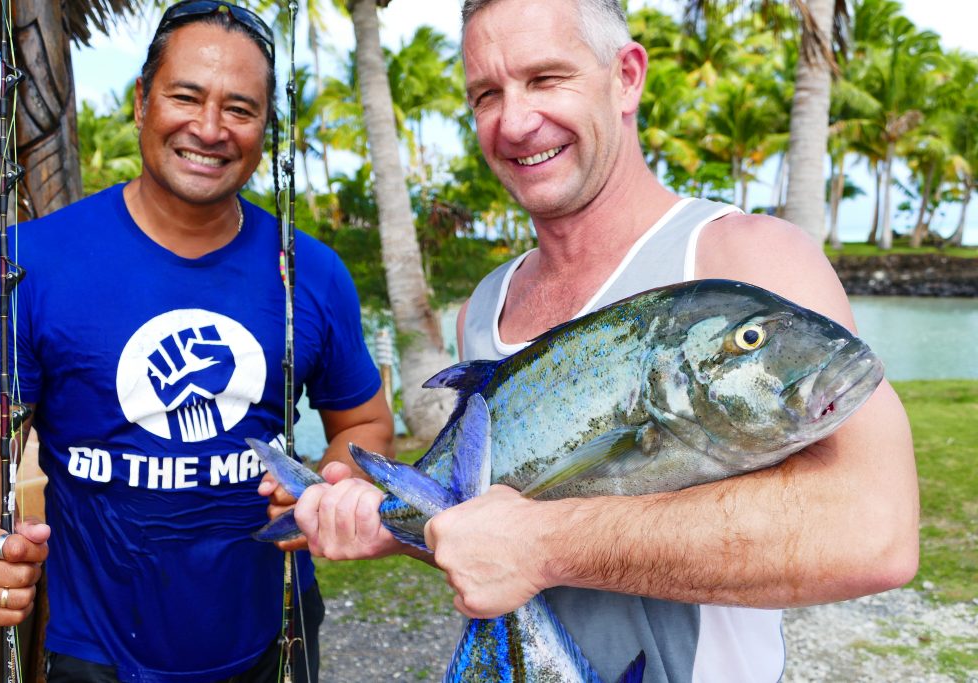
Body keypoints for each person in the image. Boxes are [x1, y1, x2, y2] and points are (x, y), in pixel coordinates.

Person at [290, 0, 920, 681]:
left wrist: (545, 544)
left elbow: (876, 531)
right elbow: (482, 534)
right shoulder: (485, 304)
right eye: (486, 94)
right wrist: (390, 525)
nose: (514, 120)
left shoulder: (747, 255)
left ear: (625, 76)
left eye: (546, 78)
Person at [0, 2, 393, 681]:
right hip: (97, 651)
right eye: (186, 96)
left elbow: (365, 423)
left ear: (264, 125)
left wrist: (341, 478)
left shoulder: (314, 273)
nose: (210, 128)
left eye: (240, 108)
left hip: (276, 636)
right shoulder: (26, 264)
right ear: (141, 101)